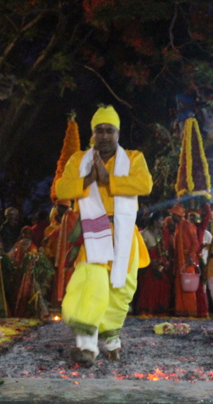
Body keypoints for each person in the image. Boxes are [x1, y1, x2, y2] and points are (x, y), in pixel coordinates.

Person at [55, 105, 152, 366]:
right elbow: (61, 189)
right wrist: (87, 180)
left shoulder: (134, 158)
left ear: (118, 133)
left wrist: (109, 179)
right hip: (93, 230)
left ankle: (111, 339)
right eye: (100, 130)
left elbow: (145, 184)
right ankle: (86, 347)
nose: (105, 135)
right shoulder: (78, 160)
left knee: (120, 290)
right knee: (91, 282)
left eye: (110, 130)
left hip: (124, 233)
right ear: (93, 132)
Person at [137, 211, 173, 316]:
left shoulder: (164, 234)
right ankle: (146, 310)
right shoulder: (144, 234)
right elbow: (142, 252)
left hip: (162, 265)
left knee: (163, 285)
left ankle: (160, 310)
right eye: (161, 220)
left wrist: (165, 264)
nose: (163, 222)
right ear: (155, 222)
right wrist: (153, 264)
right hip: (148, 265)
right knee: (149, 286)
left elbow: (166, 251)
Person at [169, 204, 200, 317]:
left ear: (177, 215)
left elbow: (195, 243)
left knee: (188, 287)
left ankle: (190, 311)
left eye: (172, 215)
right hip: (180, 263)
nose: (171, 217)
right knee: (180, 286)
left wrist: (190, 256)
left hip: (187, 262)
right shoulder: (178, 227)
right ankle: (181, 311)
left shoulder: (187, 225)